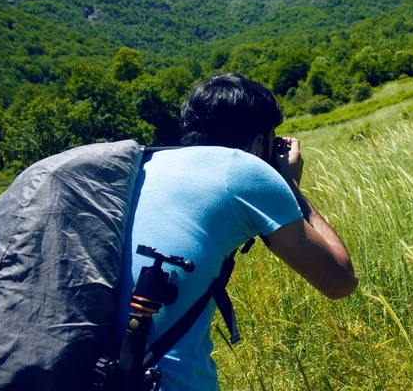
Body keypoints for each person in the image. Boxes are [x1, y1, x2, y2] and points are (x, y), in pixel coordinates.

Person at [117, 73, 358, 390]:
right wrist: (289, 184)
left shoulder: (147, 164)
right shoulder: (244, 170)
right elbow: (340, 280)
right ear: (259, 142)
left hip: (90, 372)